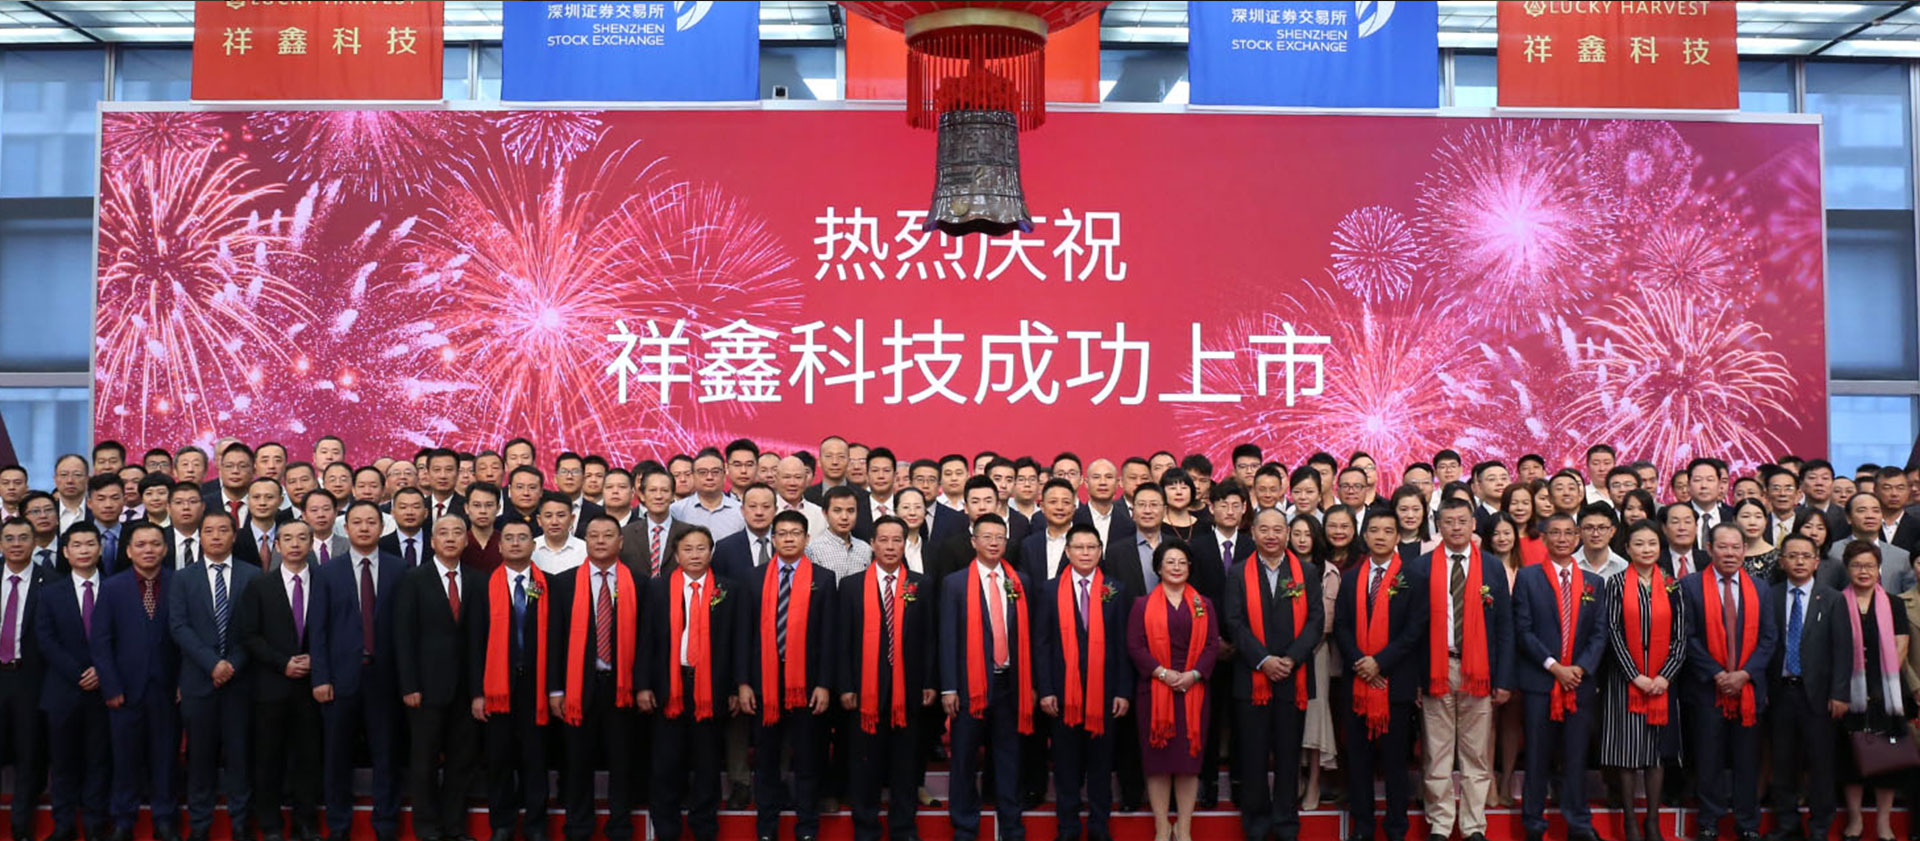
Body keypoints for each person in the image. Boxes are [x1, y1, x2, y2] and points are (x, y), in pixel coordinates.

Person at [1419, 498, 1514, 841]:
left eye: (1462, 521)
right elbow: (1414, 631)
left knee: (1476, 753)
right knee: (1437, 752)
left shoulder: (1491, 567)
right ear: (1439, 526)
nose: (1456, 527)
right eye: (1449, 521)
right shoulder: (1421, 568)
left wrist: (1503, 679)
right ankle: (1441, 825)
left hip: (1480, 670)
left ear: (1474, 524)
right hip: (1437, 667)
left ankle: (1474, 826)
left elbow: (1505, 627)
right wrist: (1417, 679)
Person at [311, 500, 407, 841]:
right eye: (357, 522)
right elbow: (318, 630)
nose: (364, 528)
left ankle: (386, 826)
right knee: (337, 758)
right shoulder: (327, 572)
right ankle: (338, 826)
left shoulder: (400, 569)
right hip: (339, 680)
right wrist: (321, 677)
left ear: (382, 527)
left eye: (371, 522)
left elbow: (406, 630)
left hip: (385, 680)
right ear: (346, 527)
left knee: (387, 756)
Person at [739, 509, 837, 841]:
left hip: (807, 684)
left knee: (808, 760)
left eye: (795, 533)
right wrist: (743, 683)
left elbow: (829, 637)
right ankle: (766, 829)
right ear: (773, 539)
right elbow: (744, 635)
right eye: (782, 533)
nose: (789, 539)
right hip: (763, 683)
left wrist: (824, 684)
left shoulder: (823, 579)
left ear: (807, 539)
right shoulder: (753, 578)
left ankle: (807, 828)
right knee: (766, 760)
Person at [1225, 510, 1323, 841]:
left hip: (1293, 677)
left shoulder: (1306, 572)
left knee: (1288, 756)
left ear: (1288, 534)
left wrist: (1291, 659)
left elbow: (1316, 621)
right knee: (1252, 757)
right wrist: (1263, 660)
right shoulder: (1238, 573)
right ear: (1253, 533)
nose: (1271, 535)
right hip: (1251, 678)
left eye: (1278, 530)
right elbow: (1234, 622)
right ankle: (1255, 826)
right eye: (1264, 529)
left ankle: (1285, 825)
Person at [836, 516, 935, 841]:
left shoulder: (921, 584)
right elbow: (843, 641)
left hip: (909, 690)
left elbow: (930, 639)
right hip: (864, 690)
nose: (890, 547)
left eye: (897, 540)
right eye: (884, 540)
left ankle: (903, 829)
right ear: (872, 544)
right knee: (865, 766)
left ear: (905, 544)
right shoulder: (851, 586)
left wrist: (929, 681)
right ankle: (866, 829)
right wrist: (846, 686)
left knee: (905, 767)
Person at [940, 513, 1034, 841]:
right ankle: (965, 827)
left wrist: (1031, 685)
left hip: (1010, 683)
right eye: (987, 537)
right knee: (964, 759)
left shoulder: (1020, 582)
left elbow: (1029, 637)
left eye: (999, 537)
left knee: (1009, 758)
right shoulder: (955, 583)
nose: (994, 543)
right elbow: (947, 638)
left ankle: (1012, 826)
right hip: (969, 685)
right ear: (973, 541)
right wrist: (949, 687)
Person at [1514, 514, 1607, 841]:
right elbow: (1523, 630)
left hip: (1579, 684)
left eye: (1569, 533)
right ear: (1544, 537)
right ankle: (1533, 824)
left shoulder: (1594, 582)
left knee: (1575, 758)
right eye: (1555, 533)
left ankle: (1578, 824)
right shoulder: (1528, 577)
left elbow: (1600, 634)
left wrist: (1580, 668)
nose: (1563, 539)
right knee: (1537, 757)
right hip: (1540, 683)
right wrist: (1554, 666)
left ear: (1578, 537)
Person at [642, 526, 740, 841]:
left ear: (711, 552)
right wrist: (643, 685)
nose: (695, 555)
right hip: (669, 687)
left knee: (707, 764)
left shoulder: (728, 589)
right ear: (676, 554)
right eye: (688, 549)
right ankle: (666, 829)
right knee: (666, 764)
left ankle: (704, 828)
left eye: (701, 548)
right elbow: (645, 641)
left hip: (711, 688)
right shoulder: (658, 589)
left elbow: (738, 642)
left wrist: (736, 687)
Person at [1335, 512, 1428, 841]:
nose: (1380, 536)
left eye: (1388, 531)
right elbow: (1341, 626)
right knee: (1358, 761)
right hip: (1358, 681)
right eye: (1374, 530)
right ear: (1364, 535)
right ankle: (1362, 827)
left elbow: (1415, 629)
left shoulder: (1413, 577)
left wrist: (1380, 663)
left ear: (1397, 537)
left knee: (1395, 764)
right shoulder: (1351, 578)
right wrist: (1361, 662)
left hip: (1396, 682)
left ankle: (1396, 828)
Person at [1682, 523, 1779, 841]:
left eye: (1736, 547)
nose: (1730, 553)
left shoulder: (1760, 588)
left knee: (1747, 760)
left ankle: (1747, 822)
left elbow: (1769, 637)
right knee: (1708, 758)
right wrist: (1717, 674)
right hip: (1707, 689)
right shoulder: (1690, 586)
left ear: (1744, 551)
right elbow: (1687, 637)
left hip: (1748, 689)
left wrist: (1745, 674)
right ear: (1709, 549)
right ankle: (1708, 821)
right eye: (1722, 547)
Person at [170, 509, 261, 841]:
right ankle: (200, 824)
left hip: (240, 681)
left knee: (240, 756)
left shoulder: (253, 576)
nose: (216, 536)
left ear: (234, 536)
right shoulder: (182, 578)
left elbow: (256, 629)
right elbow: (179, 627)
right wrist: (212, 664)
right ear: (200, 536)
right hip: (198, 681)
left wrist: (231, 664)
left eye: (223, 530)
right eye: (209, 531)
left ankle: (241, 822)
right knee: (200, 758)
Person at [1038, 523, 1131, 841]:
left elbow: (1123, 645)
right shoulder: (1049, 590)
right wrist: (1046, 689)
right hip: (1062, 693)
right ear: (1067, 551)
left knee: (1101, 765)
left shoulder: (1115, 590)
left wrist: (1123, 691)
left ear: (1100, 551)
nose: (1085, 553)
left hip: (1105, 692)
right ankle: (1067, 827)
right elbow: (1042, 644)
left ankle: (1099, 826)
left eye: (1092, 547)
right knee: (1065, 765)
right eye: (1079, 547)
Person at [394, 515, 482, 841]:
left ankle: (455, 827)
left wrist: (479, 690)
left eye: (457, 532)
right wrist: (409, 685)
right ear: (432, 541)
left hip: (466, 689)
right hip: (425, 688)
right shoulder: (413, 579)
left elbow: (481, 639)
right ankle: (428, 828)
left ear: (466, 540)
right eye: (443, 533)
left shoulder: (477, 580)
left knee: (462, 762)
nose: (450, 538)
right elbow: (403, 636)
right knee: (424, 762)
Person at [93, 520, 183, 841]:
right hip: (124, 690)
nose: (149, 550)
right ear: (129, 551)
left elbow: (187, 637)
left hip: (168, 689)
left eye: (155, 544)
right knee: (124, 759)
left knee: (165, 759)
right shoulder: (112, 587)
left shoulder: (179, 583)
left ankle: (165, 819)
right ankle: (123, 820)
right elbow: (101, 642)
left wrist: (182, 682)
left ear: (166, 549)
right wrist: (111, 685)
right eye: (141, 545)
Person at [1126, 541, 1221, 841]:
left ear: (1190, 567)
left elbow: (1212, 645)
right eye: (1170, 562)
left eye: (1182, 562)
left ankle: (1184, 827)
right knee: (1158, 763)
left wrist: (1194, 675)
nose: (1176, 567)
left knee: (1188, 762)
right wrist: (1163, 673)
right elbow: (1135, 646)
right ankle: (1161, 826)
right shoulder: (1142, 604)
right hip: (1154, 689)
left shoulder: (1204, 604)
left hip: (1194, 690)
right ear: (1158, 568)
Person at [1600, 520, 1688, 841]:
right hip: (1625, 681)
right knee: (1626, 754)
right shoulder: (1615, 584)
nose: (1646, 549)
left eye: (1652, 543)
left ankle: (1652, 820)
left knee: (1655, 753)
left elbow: (1681, 636)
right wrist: (1635, 675)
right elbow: (1612, 634)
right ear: (1627, 548)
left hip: (1662, 683)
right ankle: (1629, 821)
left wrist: (1665, 676)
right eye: (1639, 544)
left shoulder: (1672, 584)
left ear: (1660, 547)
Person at [236, 520, 324, 841]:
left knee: (309, 758)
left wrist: (316, 659)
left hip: (313, 686)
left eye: (302, 538)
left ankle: (305, 822)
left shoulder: (325, 582)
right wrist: (282, 662)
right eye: (287, 538)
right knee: (268, 759)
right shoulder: (260, 585)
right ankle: (270, 824)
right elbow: (249, 634)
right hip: (271, 685)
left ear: (311, 544)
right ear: (277, 545)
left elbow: (335, 628)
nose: (295, 544)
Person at [465, 519, 552, 841]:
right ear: (500, 547)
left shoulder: (548, 585)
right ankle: (501, 824)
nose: (516, 543)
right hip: (496, 687)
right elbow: (474, 642)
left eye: (522, 538)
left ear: (533, 545)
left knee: (535, 758)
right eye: (510, 538)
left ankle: (535, 825)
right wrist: (477, 692)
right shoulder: (482, 585)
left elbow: (556, 641)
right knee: (498, 758)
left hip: (536, 686)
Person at [1765, 534, 1848, 841]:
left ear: (1816, 562)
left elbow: (1843, 650)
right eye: (1792, 556)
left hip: (1819, 696)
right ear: (1782, 562)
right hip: (1780, 692)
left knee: (1820, 764)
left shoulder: (1833, 598)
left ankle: (1820, 827)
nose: (1799, 561)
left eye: (1806, 556)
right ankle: (1787, 824)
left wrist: (1839, 693)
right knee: (1782, 762)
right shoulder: (1770, 596)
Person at [35, 520, 109, 841]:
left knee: (99, 761)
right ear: (65, 552)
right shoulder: (50, 592)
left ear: (100, 548)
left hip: (106, 689)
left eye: (90, 544)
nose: (84, 550)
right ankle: (63, 824)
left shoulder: (116, 588)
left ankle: (95, 825)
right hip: (63, 690)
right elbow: (45, 638)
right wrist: (79, 672)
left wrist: (101, 670)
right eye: (76, 545)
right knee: (63, 763)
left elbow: (126, 636)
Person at [1836, 540, 1908, 841]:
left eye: (1869, 565)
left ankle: (1883, 822)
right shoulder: (1837, 602)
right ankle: (1854, 820)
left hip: (1886, 694)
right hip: (1847, 692)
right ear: (1847, 568)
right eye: (1857, 565)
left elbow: (1901, 645)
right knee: (1850, 760)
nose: (1863, 571)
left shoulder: (1894, 603)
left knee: (1886, 762)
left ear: (1879, 569)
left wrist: (1878, 683)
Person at [1290, 514, 1341, 811]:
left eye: (1307, 534)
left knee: (1315, 717)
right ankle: (1294, 777)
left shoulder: (1329, 572)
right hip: (1284, 655)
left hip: (1316, 651)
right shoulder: (1281, 567)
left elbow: (1326, 621)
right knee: (1289, 717)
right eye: (1296, 533)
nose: (1301, 540)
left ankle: (1313, 782)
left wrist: (1303, 648)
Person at [0, 517, 43, 841]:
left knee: (29, 755)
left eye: (23, 538)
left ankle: (20, 826)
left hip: (29, 679)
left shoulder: (50, 582)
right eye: (10, 538)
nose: (16, 544)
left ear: (34, 542)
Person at [1734, 498, 1781, 584]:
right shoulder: (1729, 556)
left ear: (1766, 521)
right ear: (1735, 520)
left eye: (1758, 517)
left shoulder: (1778, 557)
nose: (1752, 522)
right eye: (1745, 516)